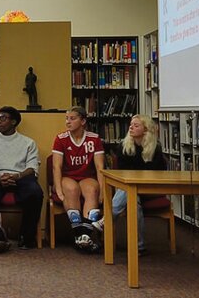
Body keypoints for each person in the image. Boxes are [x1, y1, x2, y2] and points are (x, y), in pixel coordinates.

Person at [0, 106, 43, 253]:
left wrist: (17, 176)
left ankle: (26, 236)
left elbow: (32, 168)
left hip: (21, 177)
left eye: (3, 118)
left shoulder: (28, 143)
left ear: (13, 122)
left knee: (35, 192)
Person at [98, 114, 167, 255]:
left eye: (136, 125)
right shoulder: (124, 146)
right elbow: (123, 173)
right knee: (133, 200)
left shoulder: (155, 148)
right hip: (129, 187)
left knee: (129, 193)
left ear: (146, 129)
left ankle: (105, 220)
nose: (131, 127)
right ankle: (139, 247)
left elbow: (158, 172)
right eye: (131, 125)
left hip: (149, 189)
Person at [52, 106, 105, 251]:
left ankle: (84, 236)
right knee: (71, 189)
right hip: (68, 176)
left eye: (72, 118)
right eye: (66, 118)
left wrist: (102, 191)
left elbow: (100, 167)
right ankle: (81, 234)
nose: (68, 122)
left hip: (87, 176)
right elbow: (57, 166)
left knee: (92, 190)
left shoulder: (94, 139)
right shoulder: (61, 139)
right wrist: (58, 189)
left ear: (83, 121)